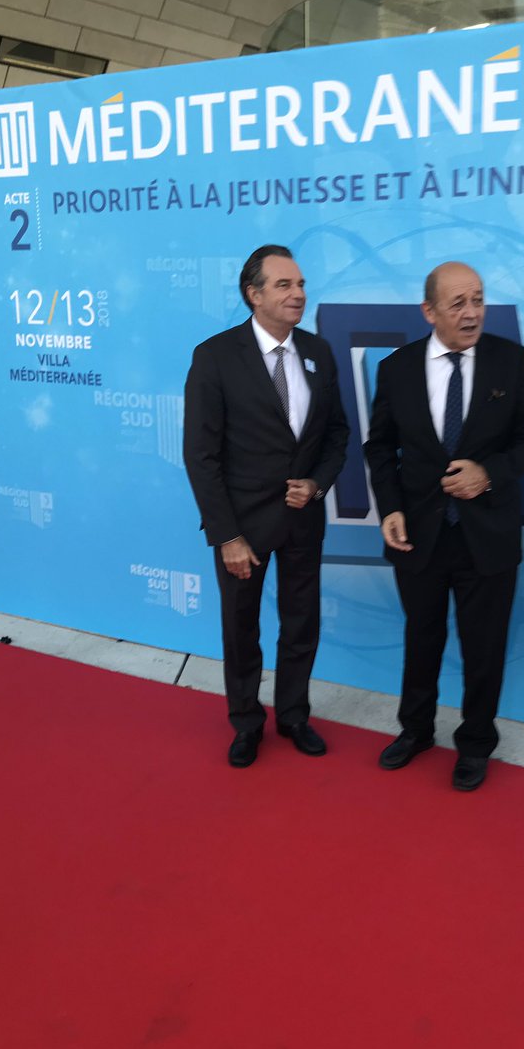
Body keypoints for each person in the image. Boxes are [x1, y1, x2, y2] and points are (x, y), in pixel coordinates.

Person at [363, 261, 524, 791]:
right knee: (421, 638)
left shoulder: (511, 361)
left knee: (483, 647)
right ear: (430, 311)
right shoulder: (397, 368)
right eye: (458, 303)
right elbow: (380, 447)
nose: (472, 313)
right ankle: (415, 730)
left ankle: (474, 744)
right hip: (418, 534)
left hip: (487, 535)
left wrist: (488, 474)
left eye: (478, 300)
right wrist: (390, 507)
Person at [183, 245, 349, 768]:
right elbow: (201, 455)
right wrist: (226, 536)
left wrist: (317, 484)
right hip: (243, 527)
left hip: (303, 519)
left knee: (302, 623)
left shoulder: (320, 351)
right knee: (241, 627)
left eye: (300, 284)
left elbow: (337, 434)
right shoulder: (215, 357)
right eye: (284, 285)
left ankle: (294, 716)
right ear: (253, 294)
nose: (298, 293)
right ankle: (246, 722)